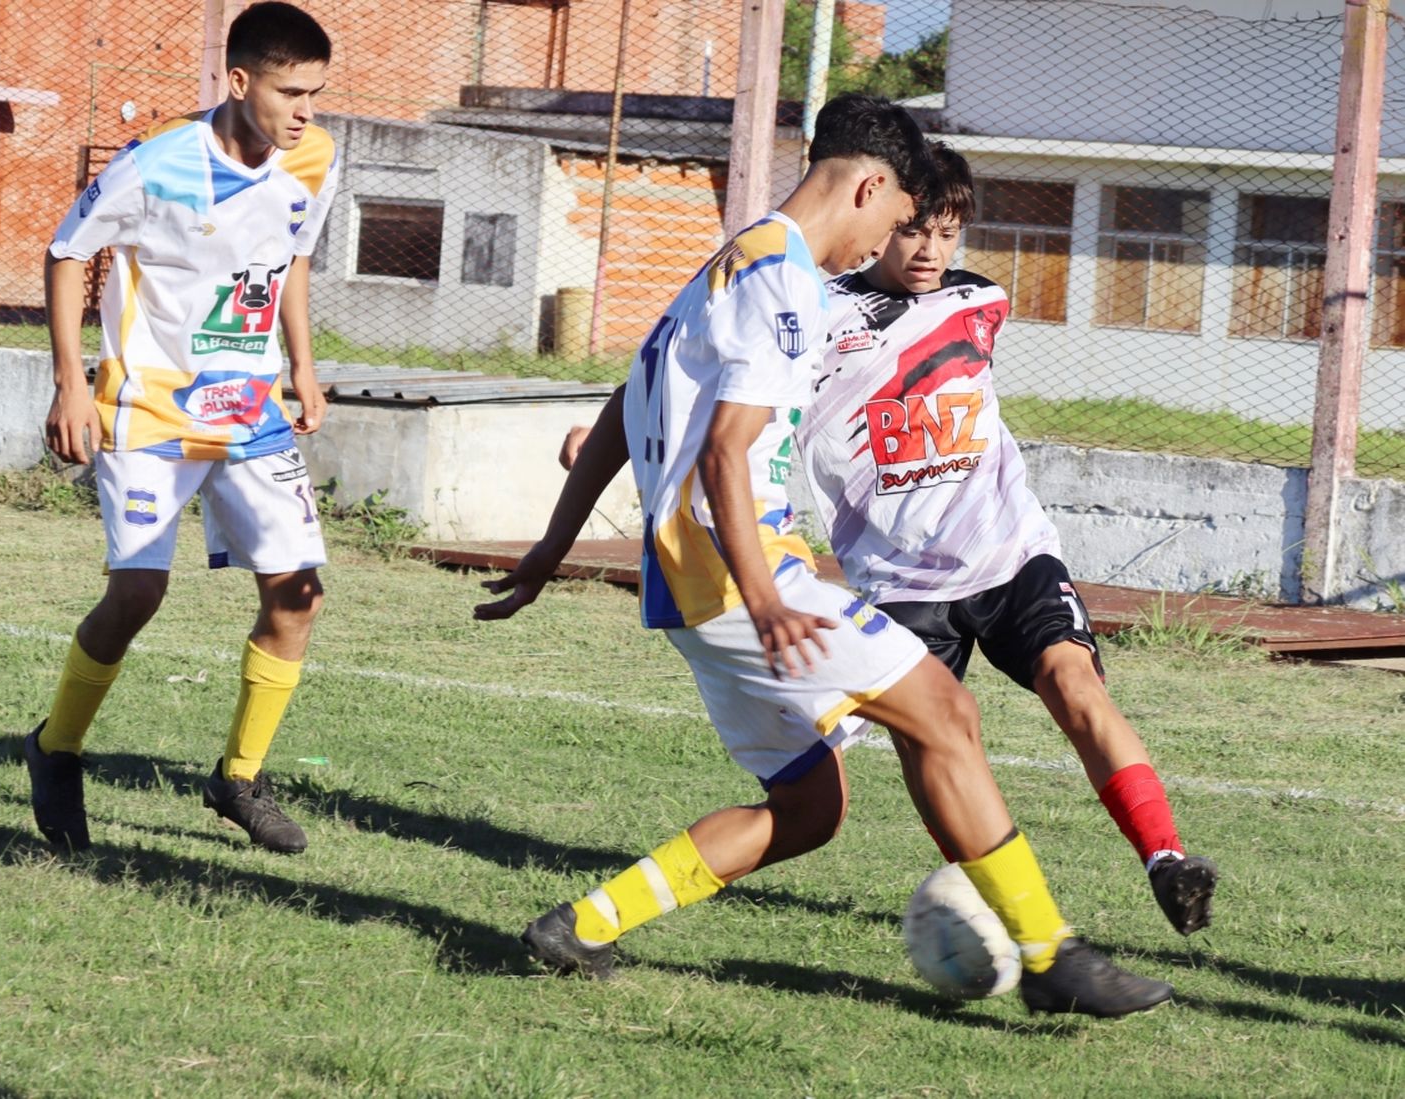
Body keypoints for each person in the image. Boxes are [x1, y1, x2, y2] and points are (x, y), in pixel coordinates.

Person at [477, 94, 1174, 1017]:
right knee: (947, 711)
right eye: (892, 221)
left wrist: (551, 547)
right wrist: (767, 595)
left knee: (810, 810)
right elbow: (727, 447)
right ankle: (1050, 957)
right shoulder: (785, 283)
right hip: (739, 576)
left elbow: (622, 406)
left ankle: (583, 925)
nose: (886, 243)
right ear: (871, 186)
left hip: (687, 591)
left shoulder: (727, 265)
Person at [797, 141, 1218, 935]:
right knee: (931, 745)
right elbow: (733, 377)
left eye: (949, 232)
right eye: (915, 229)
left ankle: (1167, 858)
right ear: (881, 216)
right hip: (901, 584)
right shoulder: (821, 317)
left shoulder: (980, 299)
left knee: (1075, 682)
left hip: (1011, 553)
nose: (930, 250)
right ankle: (990, 896)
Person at [26, 0, 338, 855]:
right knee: (137, 595)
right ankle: (55, 749)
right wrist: (71, 384)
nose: (306, 110)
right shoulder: (156, 163)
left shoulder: (313, 156)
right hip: (149, 405)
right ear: (239, 83)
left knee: (298, 595)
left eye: (316, 92)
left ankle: (239, 776)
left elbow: (294, 253)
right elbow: (64, 251)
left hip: (250, 406)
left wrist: (303, 364)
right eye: (291, 91)